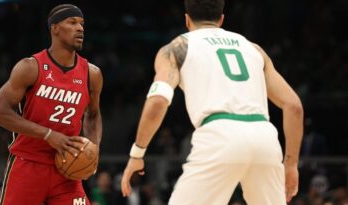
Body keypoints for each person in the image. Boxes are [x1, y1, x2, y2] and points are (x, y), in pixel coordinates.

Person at [120, 0, 303, 204]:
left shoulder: (176, 48)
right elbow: (294, 106)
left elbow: (157, 103)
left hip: (219, 136)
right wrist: (291, 164)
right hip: (265, 138)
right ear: (222, 18)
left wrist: (137, 154)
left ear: (187, 19)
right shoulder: (254, 49)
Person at [0, 4, 103, 205]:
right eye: (72, 22)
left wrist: (93, 150)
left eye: (82, 24)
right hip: (29, 163)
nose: (80, 28)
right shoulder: (30, 67)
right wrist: (49, 135)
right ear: (55, 28)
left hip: (67, 167)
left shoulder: (91, 74)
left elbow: (93, 115)